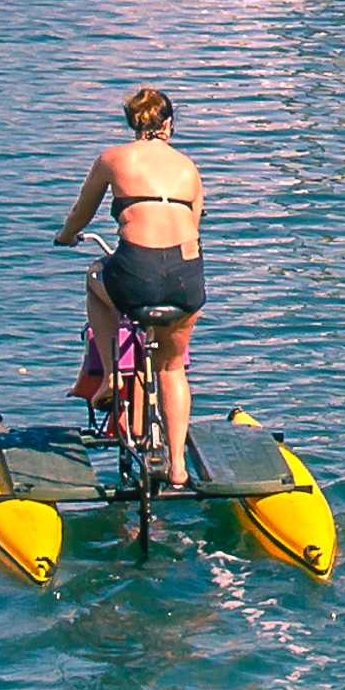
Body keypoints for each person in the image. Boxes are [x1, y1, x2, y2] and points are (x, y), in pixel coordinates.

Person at [55, 85, 206, 490]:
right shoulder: (188, 167)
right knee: (173, 367)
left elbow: (80, 215)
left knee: (94, 278)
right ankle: (177, 468)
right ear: (169, 124)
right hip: (186, 279)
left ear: (132, 124)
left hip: (136, 275)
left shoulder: (112, 159)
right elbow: (196, 221)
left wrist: (65, 235)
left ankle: (109, 378)